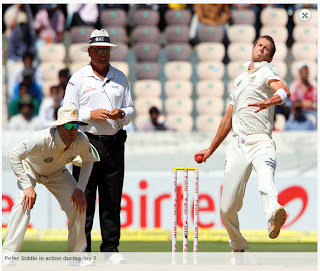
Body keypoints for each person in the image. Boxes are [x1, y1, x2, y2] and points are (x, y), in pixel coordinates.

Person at [195, 35, 290, 262]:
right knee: (226, 208)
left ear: (270, 56)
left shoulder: (267, 72)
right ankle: (237, 243)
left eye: (267, 49)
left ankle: (272, 215)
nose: (262, 50)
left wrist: (269, 102)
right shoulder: (238, 80)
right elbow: (228, 119)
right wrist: (210, 150)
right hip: (237, 145)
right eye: (260, 45)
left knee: (266, 181)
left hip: (261, 142)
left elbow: (284, 92)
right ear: (253, 47)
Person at [63, 29, 135, 264]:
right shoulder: (79, 78)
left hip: (114, 144)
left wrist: (122, 113)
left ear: (109, 51)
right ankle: (82, 252)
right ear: (90, 52)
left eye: (106, 50)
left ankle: (110, 250)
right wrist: (89, 114)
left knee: (112, 200)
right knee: (83, 199)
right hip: (86, 143)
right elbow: (66, 113)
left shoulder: (120, 77)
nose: (102, 54)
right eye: (98, 50)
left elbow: (131, 110)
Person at [2, 106, 95, 265]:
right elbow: (14, 154)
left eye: (76, 125)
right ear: (59, 126)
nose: (73, 130)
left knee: (78, 205)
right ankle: (7, 254)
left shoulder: (81, 140)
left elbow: (88, 160)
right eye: (68, 125)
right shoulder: (42, 138)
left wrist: (80, 188)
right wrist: (27, 186)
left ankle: (77, 256)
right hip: (30, 168)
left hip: (57, 172)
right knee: (23, 201)